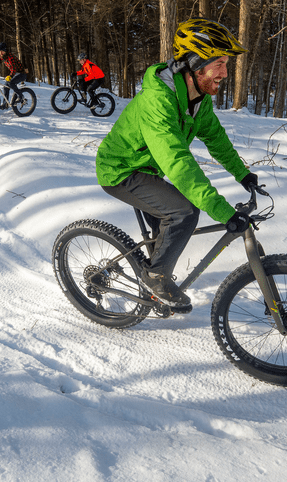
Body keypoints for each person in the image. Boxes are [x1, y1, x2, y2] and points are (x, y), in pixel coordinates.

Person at [95, 18, 258, 313]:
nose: (224, 73)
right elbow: (177, 162)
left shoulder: (198, 98)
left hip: (148, 169)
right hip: (120, 170)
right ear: (195, 64)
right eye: (218, 64)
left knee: (168, 233)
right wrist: (222, 211)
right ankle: (155, 279)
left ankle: (154, 284)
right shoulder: (158, 100)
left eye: (226, 65)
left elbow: (216, 139)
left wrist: (243, 174)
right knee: (182, 212)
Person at [0, 42, 28, 107]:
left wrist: (10, 76)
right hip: (15, 73)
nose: (0, 53)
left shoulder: (10, 57)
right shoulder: (2, 57)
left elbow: (14, 68)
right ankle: (5, 104)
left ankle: (20, 96)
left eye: (2, 51)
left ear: (5, 50)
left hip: (22, 74)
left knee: (11, 83)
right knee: (6, 87)